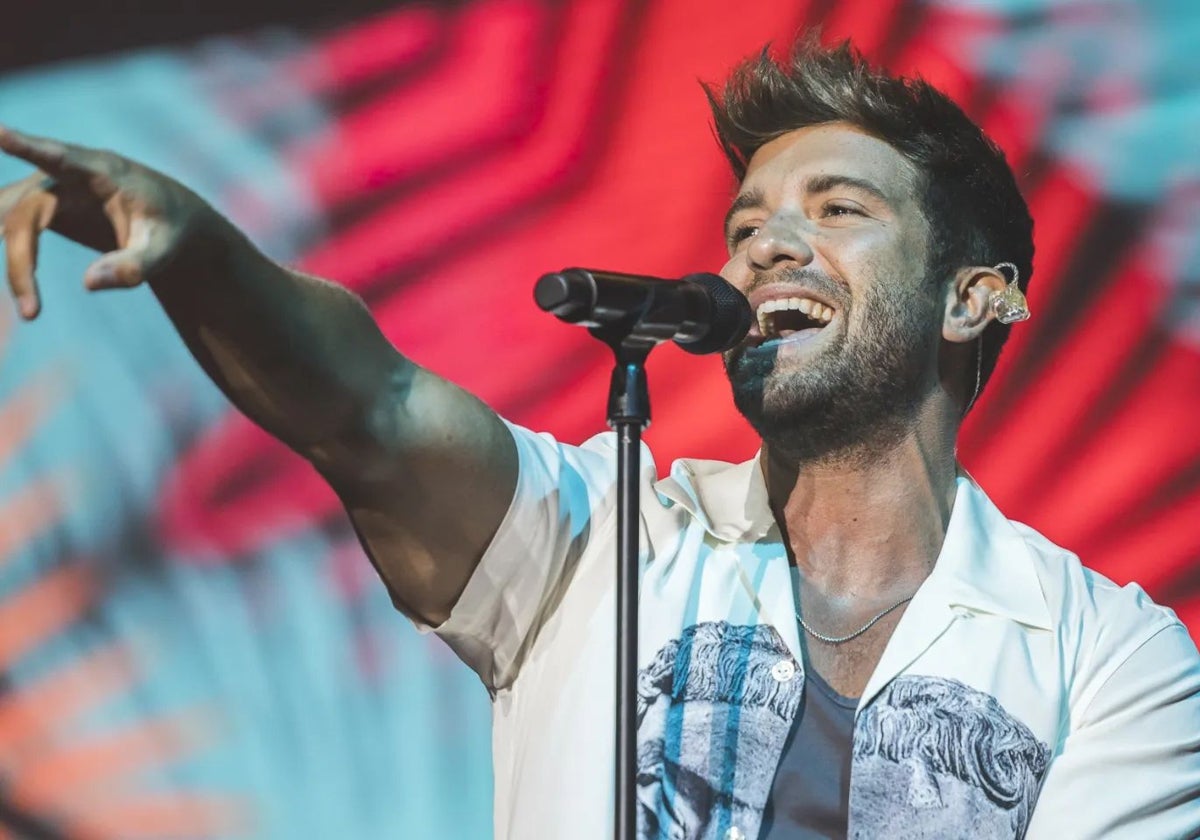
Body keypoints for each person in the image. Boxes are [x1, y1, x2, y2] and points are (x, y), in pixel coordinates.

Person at [2, 34, 1198, 840]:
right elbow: (366, 407)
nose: (766, 247)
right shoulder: (596, 538)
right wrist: (204, 254)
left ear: (973, 298)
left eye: (837, 210)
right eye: (746, 226)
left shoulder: (1111, 658)